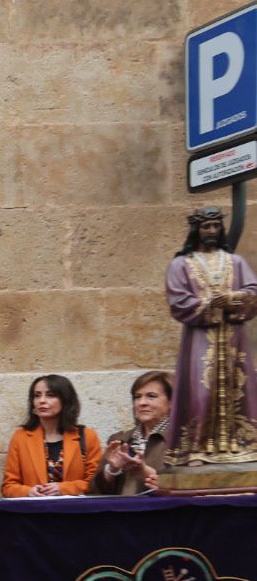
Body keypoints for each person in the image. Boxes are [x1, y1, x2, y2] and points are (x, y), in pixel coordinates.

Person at [165, 207, 257, 465]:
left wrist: (231, 298)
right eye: (207, 226)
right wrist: (210, 304)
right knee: (201, 390)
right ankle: (198, 448)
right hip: (200, 338)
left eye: (217, 226)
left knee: (236, 387)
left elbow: (252, 291)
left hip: (233, 337)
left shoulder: (235, 262)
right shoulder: (181, 264)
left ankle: (240, 446)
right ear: (197, 230)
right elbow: (178, 301)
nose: (213, 231)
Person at [1, 374, 102, 497]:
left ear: (65, 400)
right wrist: (28, 492)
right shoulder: (21, 437)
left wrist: (64, 489)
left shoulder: (87, 436)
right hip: (34, 512)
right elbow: (8, 486)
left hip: (75, 512)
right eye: (37, 395)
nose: (42, 400)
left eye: (50, 395)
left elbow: (95, 484)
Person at [90, 371, 172, 496]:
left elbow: (197, 486)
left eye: (151, 396)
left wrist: (149, 474)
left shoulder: (182, 441)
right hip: (122, 513)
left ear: (172, 402)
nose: (142, 402)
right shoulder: (119, 440)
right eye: (137, 397)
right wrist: (112, 470)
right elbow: (94, 492)